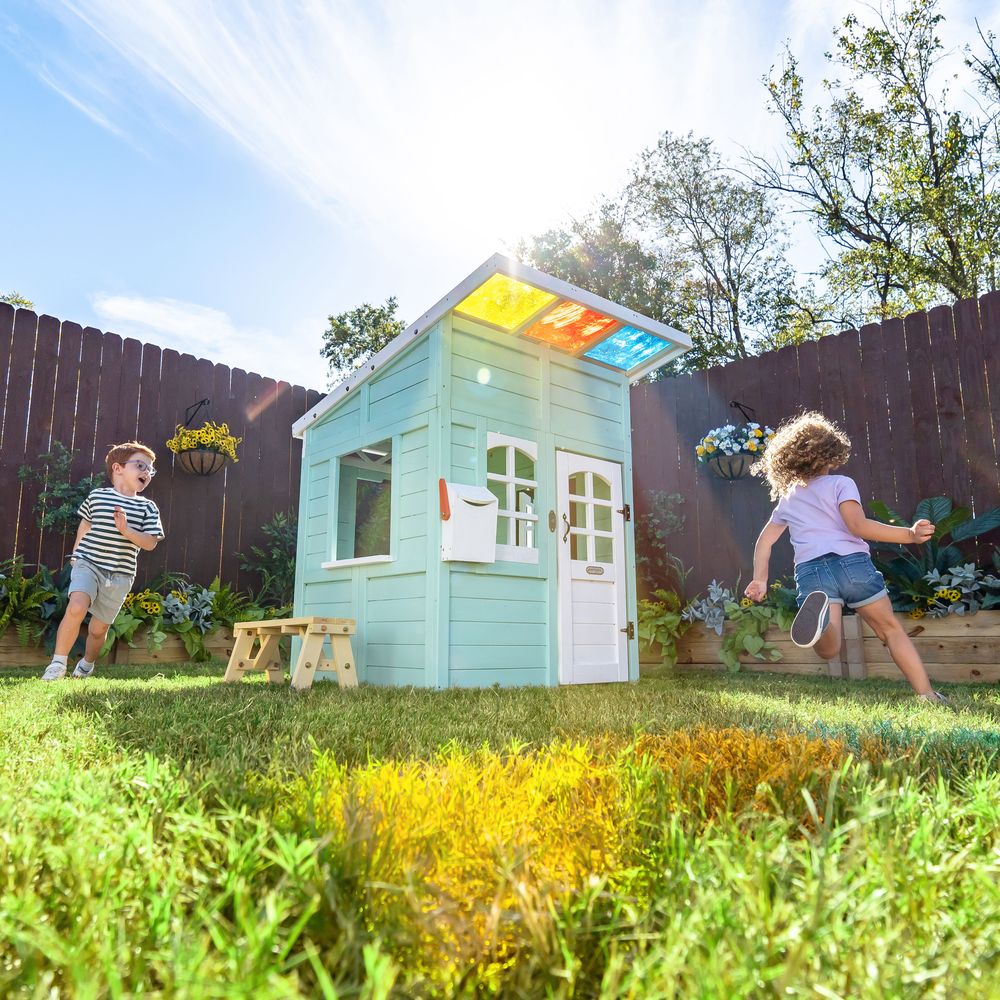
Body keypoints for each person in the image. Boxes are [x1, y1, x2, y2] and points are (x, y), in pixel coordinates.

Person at [744, 412, 948, 703]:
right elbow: (858, 526)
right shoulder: (840, 483)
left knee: (829, 648)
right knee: (890, 630)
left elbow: (765, 540)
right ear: (830, 452)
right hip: (852, 565)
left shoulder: (788, 498)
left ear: (789, 458)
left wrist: (760, 579)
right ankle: (927, 694)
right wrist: (910, 535)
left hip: (812, 571)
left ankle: (822, 625)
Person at [41, 442, 164, 680]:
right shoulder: (98, 496)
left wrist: (126, 529)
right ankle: (57, 664)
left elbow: (149, 543)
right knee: (76, 607)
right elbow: (85, 524)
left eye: (150, 469)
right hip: (89, 563)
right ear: (118, 468)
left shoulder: (147, 507)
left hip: (120, 574)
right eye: (140, 466)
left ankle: (87, 664)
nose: (146, 472)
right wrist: (76, 554)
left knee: (99, 629)